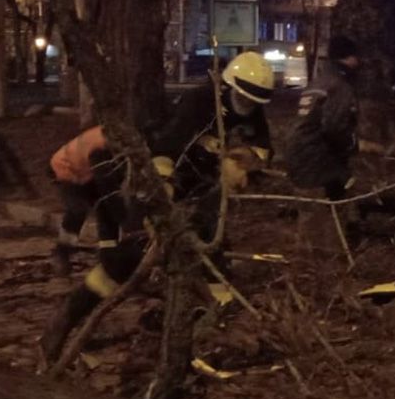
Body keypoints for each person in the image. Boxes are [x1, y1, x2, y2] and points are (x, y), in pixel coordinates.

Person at [40, 51, 275, 362]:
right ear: (228, 86)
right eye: (243, 98)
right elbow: (166, 148)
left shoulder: (253, 113)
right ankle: (65, 320)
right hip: (160, 185)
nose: (247, 106)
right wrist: (161, 194)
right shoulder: (198, 103)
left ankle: (211, 328)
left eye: (254, 102)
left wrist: (248, 161)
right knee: (124, 261)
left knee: (213, 257)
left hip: (202, 194)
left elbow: (263, 149)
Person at [284, 35, 360, 200]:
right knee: (340, 198)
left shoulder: (318, 83)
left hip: (298, 158)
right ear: (349, 58)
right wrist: (354, 146)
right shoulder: (340, 86)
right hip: (317, 164)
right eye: (356, 57)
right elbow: (335, 129)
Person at [47, 126, 121, 275]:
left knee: (105, 208)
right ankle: (62, 252)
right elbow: (106, 184)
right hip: (66, 168)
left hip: (85, 169)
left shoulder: (113, 136)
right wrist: (122, 216)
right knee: (77, 210)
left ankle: (108, 255)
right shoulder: (102, 146)